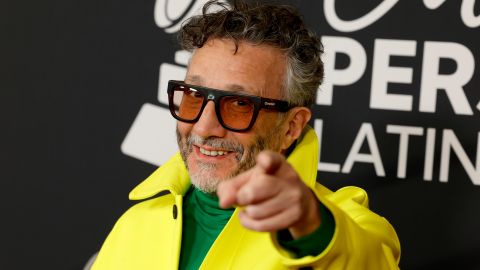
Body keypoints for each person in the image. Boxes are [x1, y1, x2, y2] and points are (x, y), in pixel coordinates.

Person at [91, 1, 400, 269]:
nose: (203, 127)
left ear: (291, 127)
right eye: (194, 96)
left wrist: (311, 226)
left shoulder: (338, 225)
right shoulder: (135, 225)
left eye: (239, 104)